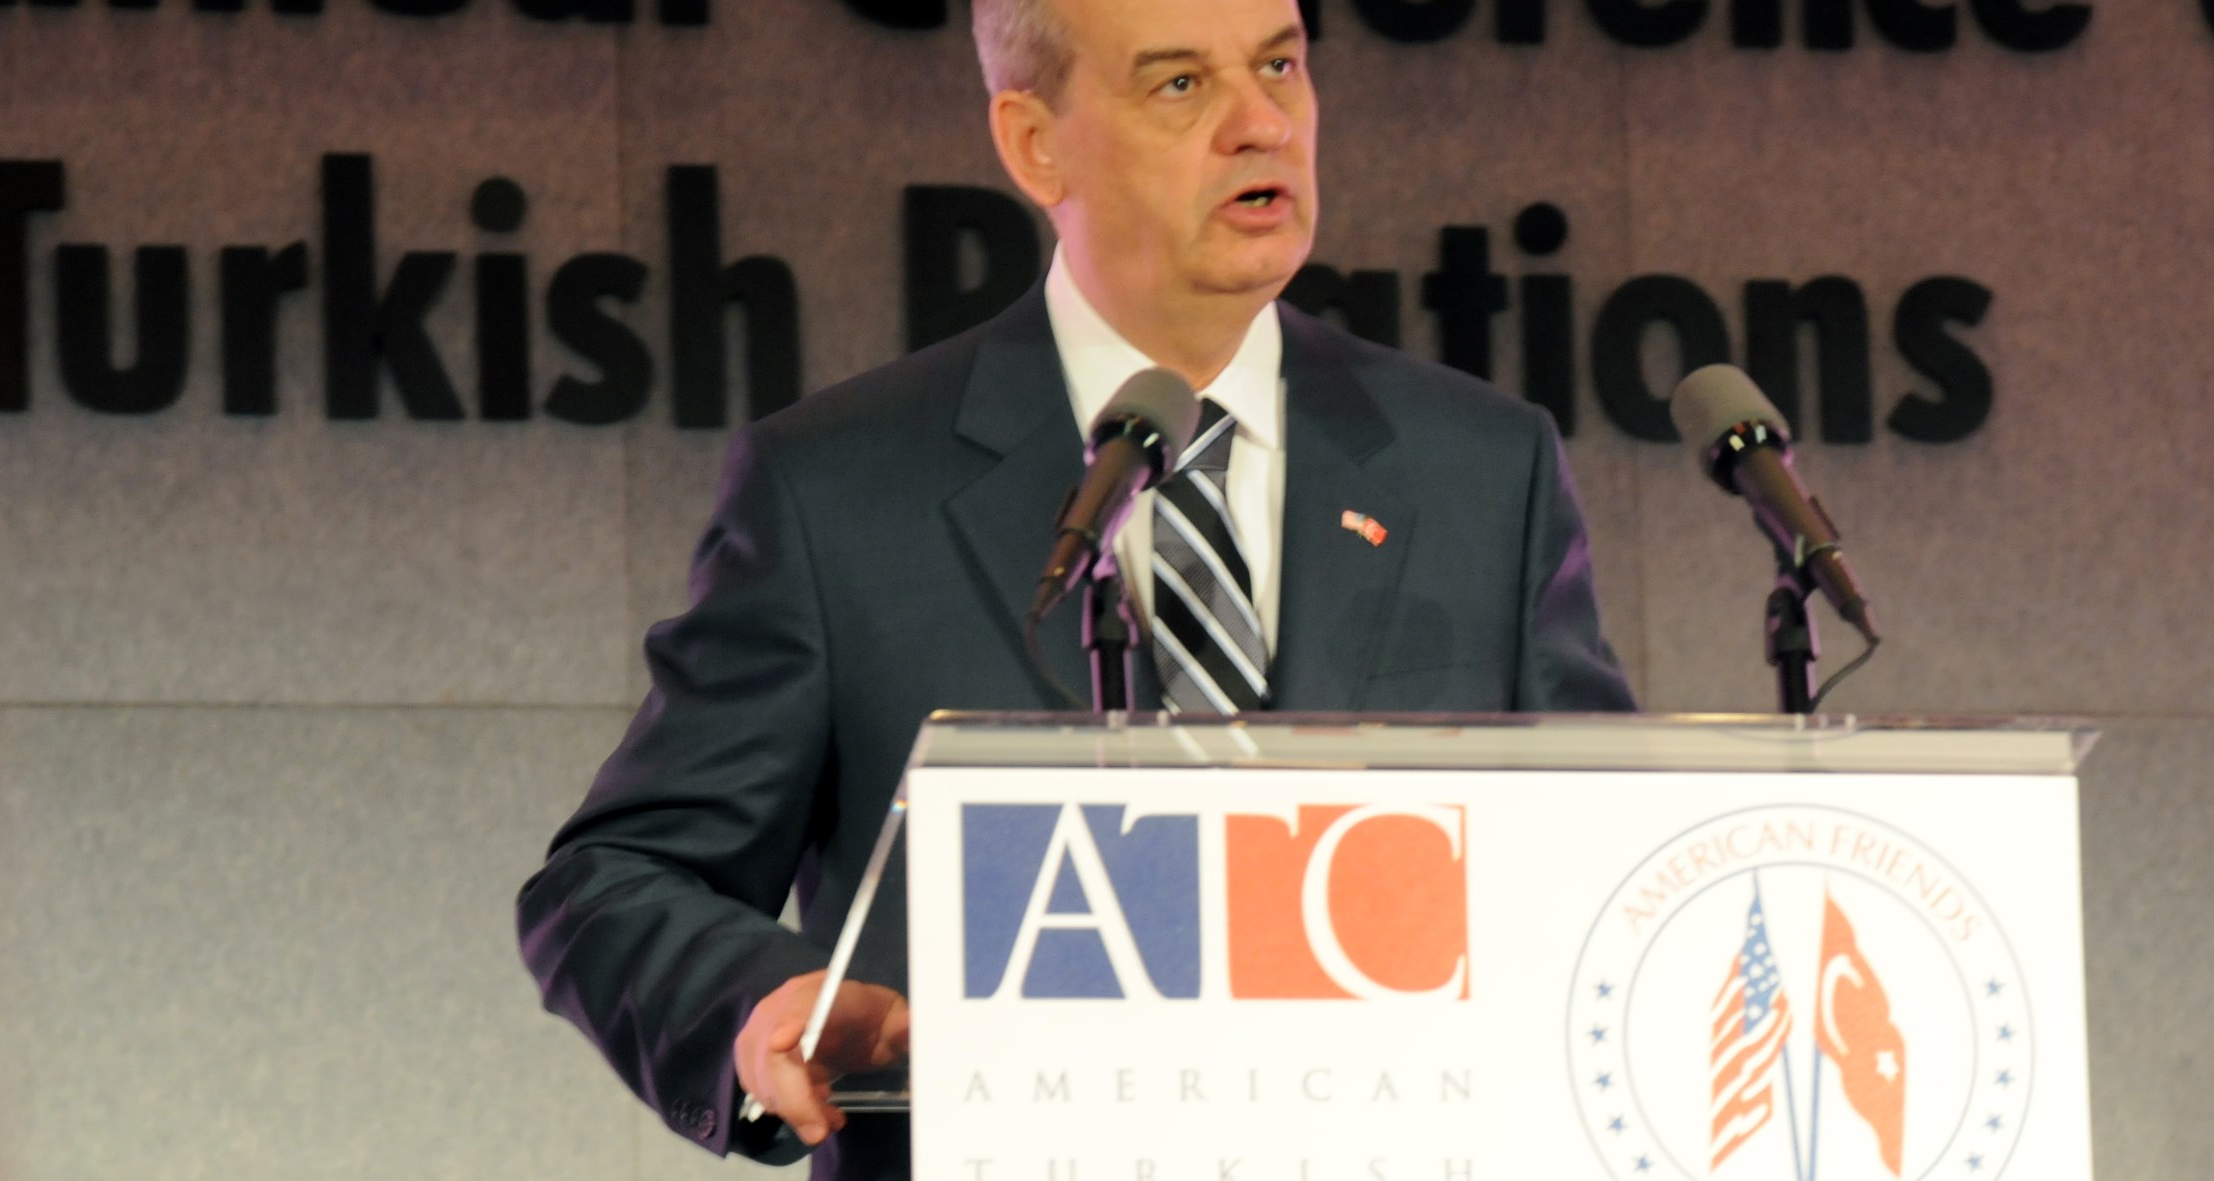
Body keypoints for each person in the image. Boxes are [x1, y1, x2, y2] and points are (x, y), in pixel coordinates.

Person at [515, 0, 1634, 1171]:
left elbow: (1606, 861)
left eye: (1279, 64)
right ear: (1035, 144)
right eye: (1180, 84)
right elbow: (614, 879)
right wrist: (761, 1001)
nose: (1261, 122)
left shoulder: (1479, 467)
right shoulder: (839, 490)